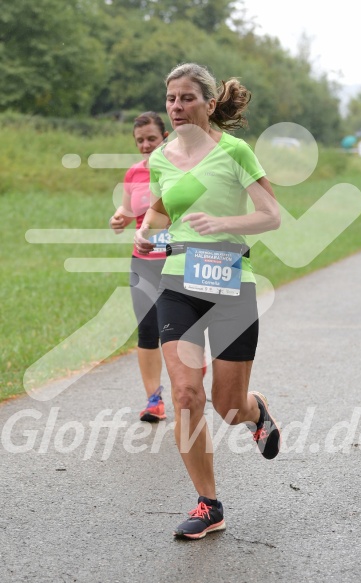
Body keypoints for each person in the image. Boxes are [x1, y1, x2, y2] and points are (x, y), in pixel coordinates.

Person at [134, 63, 282, 540]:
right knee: (186, 395)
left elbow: (270, 216)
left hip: (233, 285)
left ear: (209, 103)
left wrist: (224, 225)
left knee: (228, 405)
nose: (176, 107)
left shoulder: (235, 151)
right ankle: (208, 504)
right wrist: (145, 229)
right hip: (178, 284)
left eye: (186, 98)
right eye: (171, 99)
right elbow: (159, 209)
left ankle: (255, 412)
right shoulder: (162, 158)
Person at [109, 112, 169, 422]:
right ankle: (153, 400)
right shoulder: (134, 173)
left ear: (166, 137)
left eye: (151, 139)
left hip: (177, 263)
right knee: (148, 331)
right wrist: (119, 217)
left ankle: (191, 391)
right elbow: (128, 207)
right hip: (143, 263)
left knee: (180, 332)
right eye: (140, 141)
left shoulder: (181, 171)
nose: (145, 145)